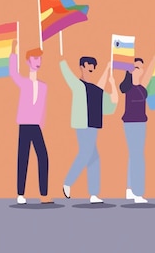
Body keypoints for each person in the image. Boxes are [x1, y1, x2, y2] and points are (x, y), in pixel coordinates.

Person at [60, 56, 118, 203]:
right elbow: (67, 74)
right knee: (86, 153)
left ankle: (93, 194)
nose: (92, 67)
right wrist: (62, 60)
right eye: (88, 64)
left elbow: (105, 95)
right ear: (82, 66)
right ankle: (67, 182)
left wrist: (107, 69)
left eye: (93, 65)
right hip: (83, 124)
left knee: (94, 158)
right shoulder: (78, 85)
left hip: (93, 124)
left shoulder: (95, 89)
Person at [9, 41, 51, 204]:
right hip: (24, 125)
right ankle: (20, 193)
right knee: (23, 157)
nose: (38, 61)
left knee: (43, 156)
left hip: (36, 126)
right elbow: (13, 72)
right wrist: (14, 53)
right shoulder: (23, 82)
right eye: (35, 58)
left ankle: (44, 193)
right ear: (27, 61)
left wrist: (42, 122)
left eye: (40, 58)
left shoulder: (44, 86)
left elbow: (43, 106)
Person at [119, 55, 155, 204]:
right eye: (137, 67)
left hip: (141, 123)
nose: (141, 70)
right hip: (131, 123)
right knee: (137, 156)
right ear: (131, 70)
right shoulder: (128, 88)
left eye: (141, 67)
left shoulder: (142, 87)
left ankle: (129, 189)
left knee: (134, 155)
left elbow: (150, 72)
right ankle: (138, 193)